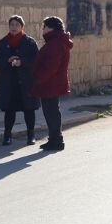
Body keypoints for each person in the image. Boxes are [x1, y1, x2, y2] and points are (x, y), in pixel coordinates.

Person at [0, 15, 39, 146]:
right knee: (9, 110)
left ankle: (31, 135)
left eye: (17, 25)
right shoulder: (3, 42)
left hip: (26, 82)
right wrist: (7, 60)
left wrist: (21, 62)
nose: (14, 27)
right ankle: (7, 135)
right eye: (12, 25)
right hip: (9, 82)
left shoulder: (29, 42)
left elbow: (36, 60)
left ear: (22, 27)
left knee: (29, 109)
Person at [32, 16, 74, 151]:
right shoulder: (57, 41)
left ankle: (56, 141)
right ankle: (54, 139)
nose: (42, 29)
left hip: (50, 84)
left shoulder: (54, 44)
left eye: (44, 27)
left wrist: (37, 79)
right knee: (53, 112)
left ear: (51, 28)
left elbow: (50, 67)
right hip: (52, 83)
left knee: (51, 113)